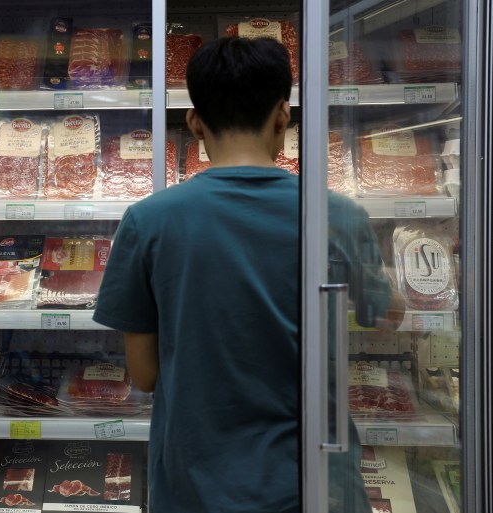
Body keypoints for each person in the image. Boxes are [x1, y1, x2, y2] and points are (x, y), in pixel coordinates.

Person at [92, 37, 397, 512]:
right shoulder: (337, 215)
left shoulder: (148, 220)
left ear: (194, 122)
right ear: (283, 115)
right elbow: (387, 315)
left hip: (196, 486)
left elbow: (145, 374)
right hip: (313, 483)